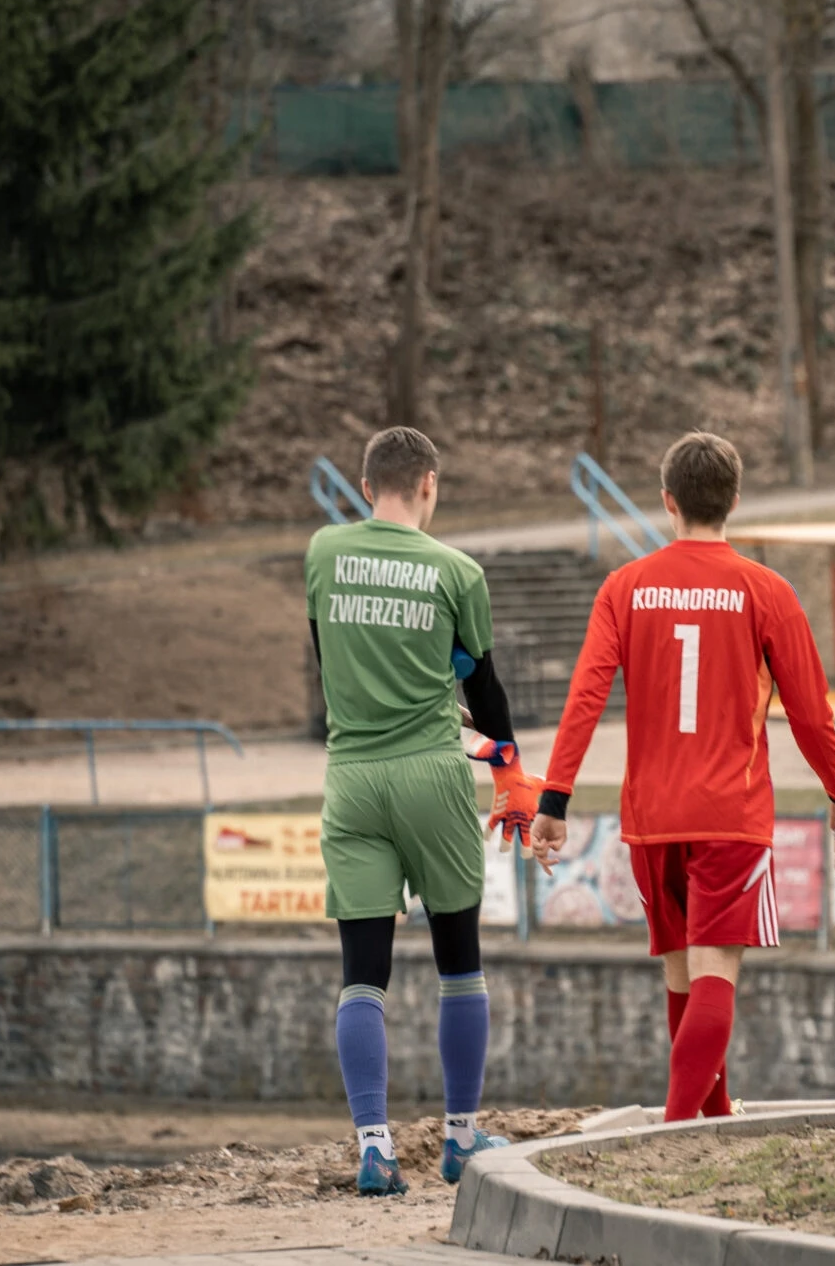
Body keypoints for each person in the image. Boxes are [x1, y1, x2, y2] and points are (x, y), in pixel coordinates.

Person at [531, 431, 835, 1123]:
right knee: (715, 973)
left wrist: (555, 798)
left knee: (682, 975)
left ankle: (710, 1118)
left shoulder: (624, 587)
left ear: (668, 502)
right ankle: (675, 1131)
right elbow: (810, 712)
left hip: (652, 818)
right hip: (730, 814)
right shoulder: (766, 590)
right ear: (734, 502)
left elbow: (585, 698)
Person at [305, 426, 544, 1196]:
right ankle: (460, 1139)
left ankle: (375, 1150)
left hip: (352, 780)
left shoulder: (323, 553)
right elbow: (484, 689)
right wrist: (509, 769)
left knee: (362, 975)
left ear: (365, 488)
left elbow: (329, 658)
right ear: (430, 484)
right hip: (434, 779)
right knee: (458, 961)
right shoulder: (457, 572)